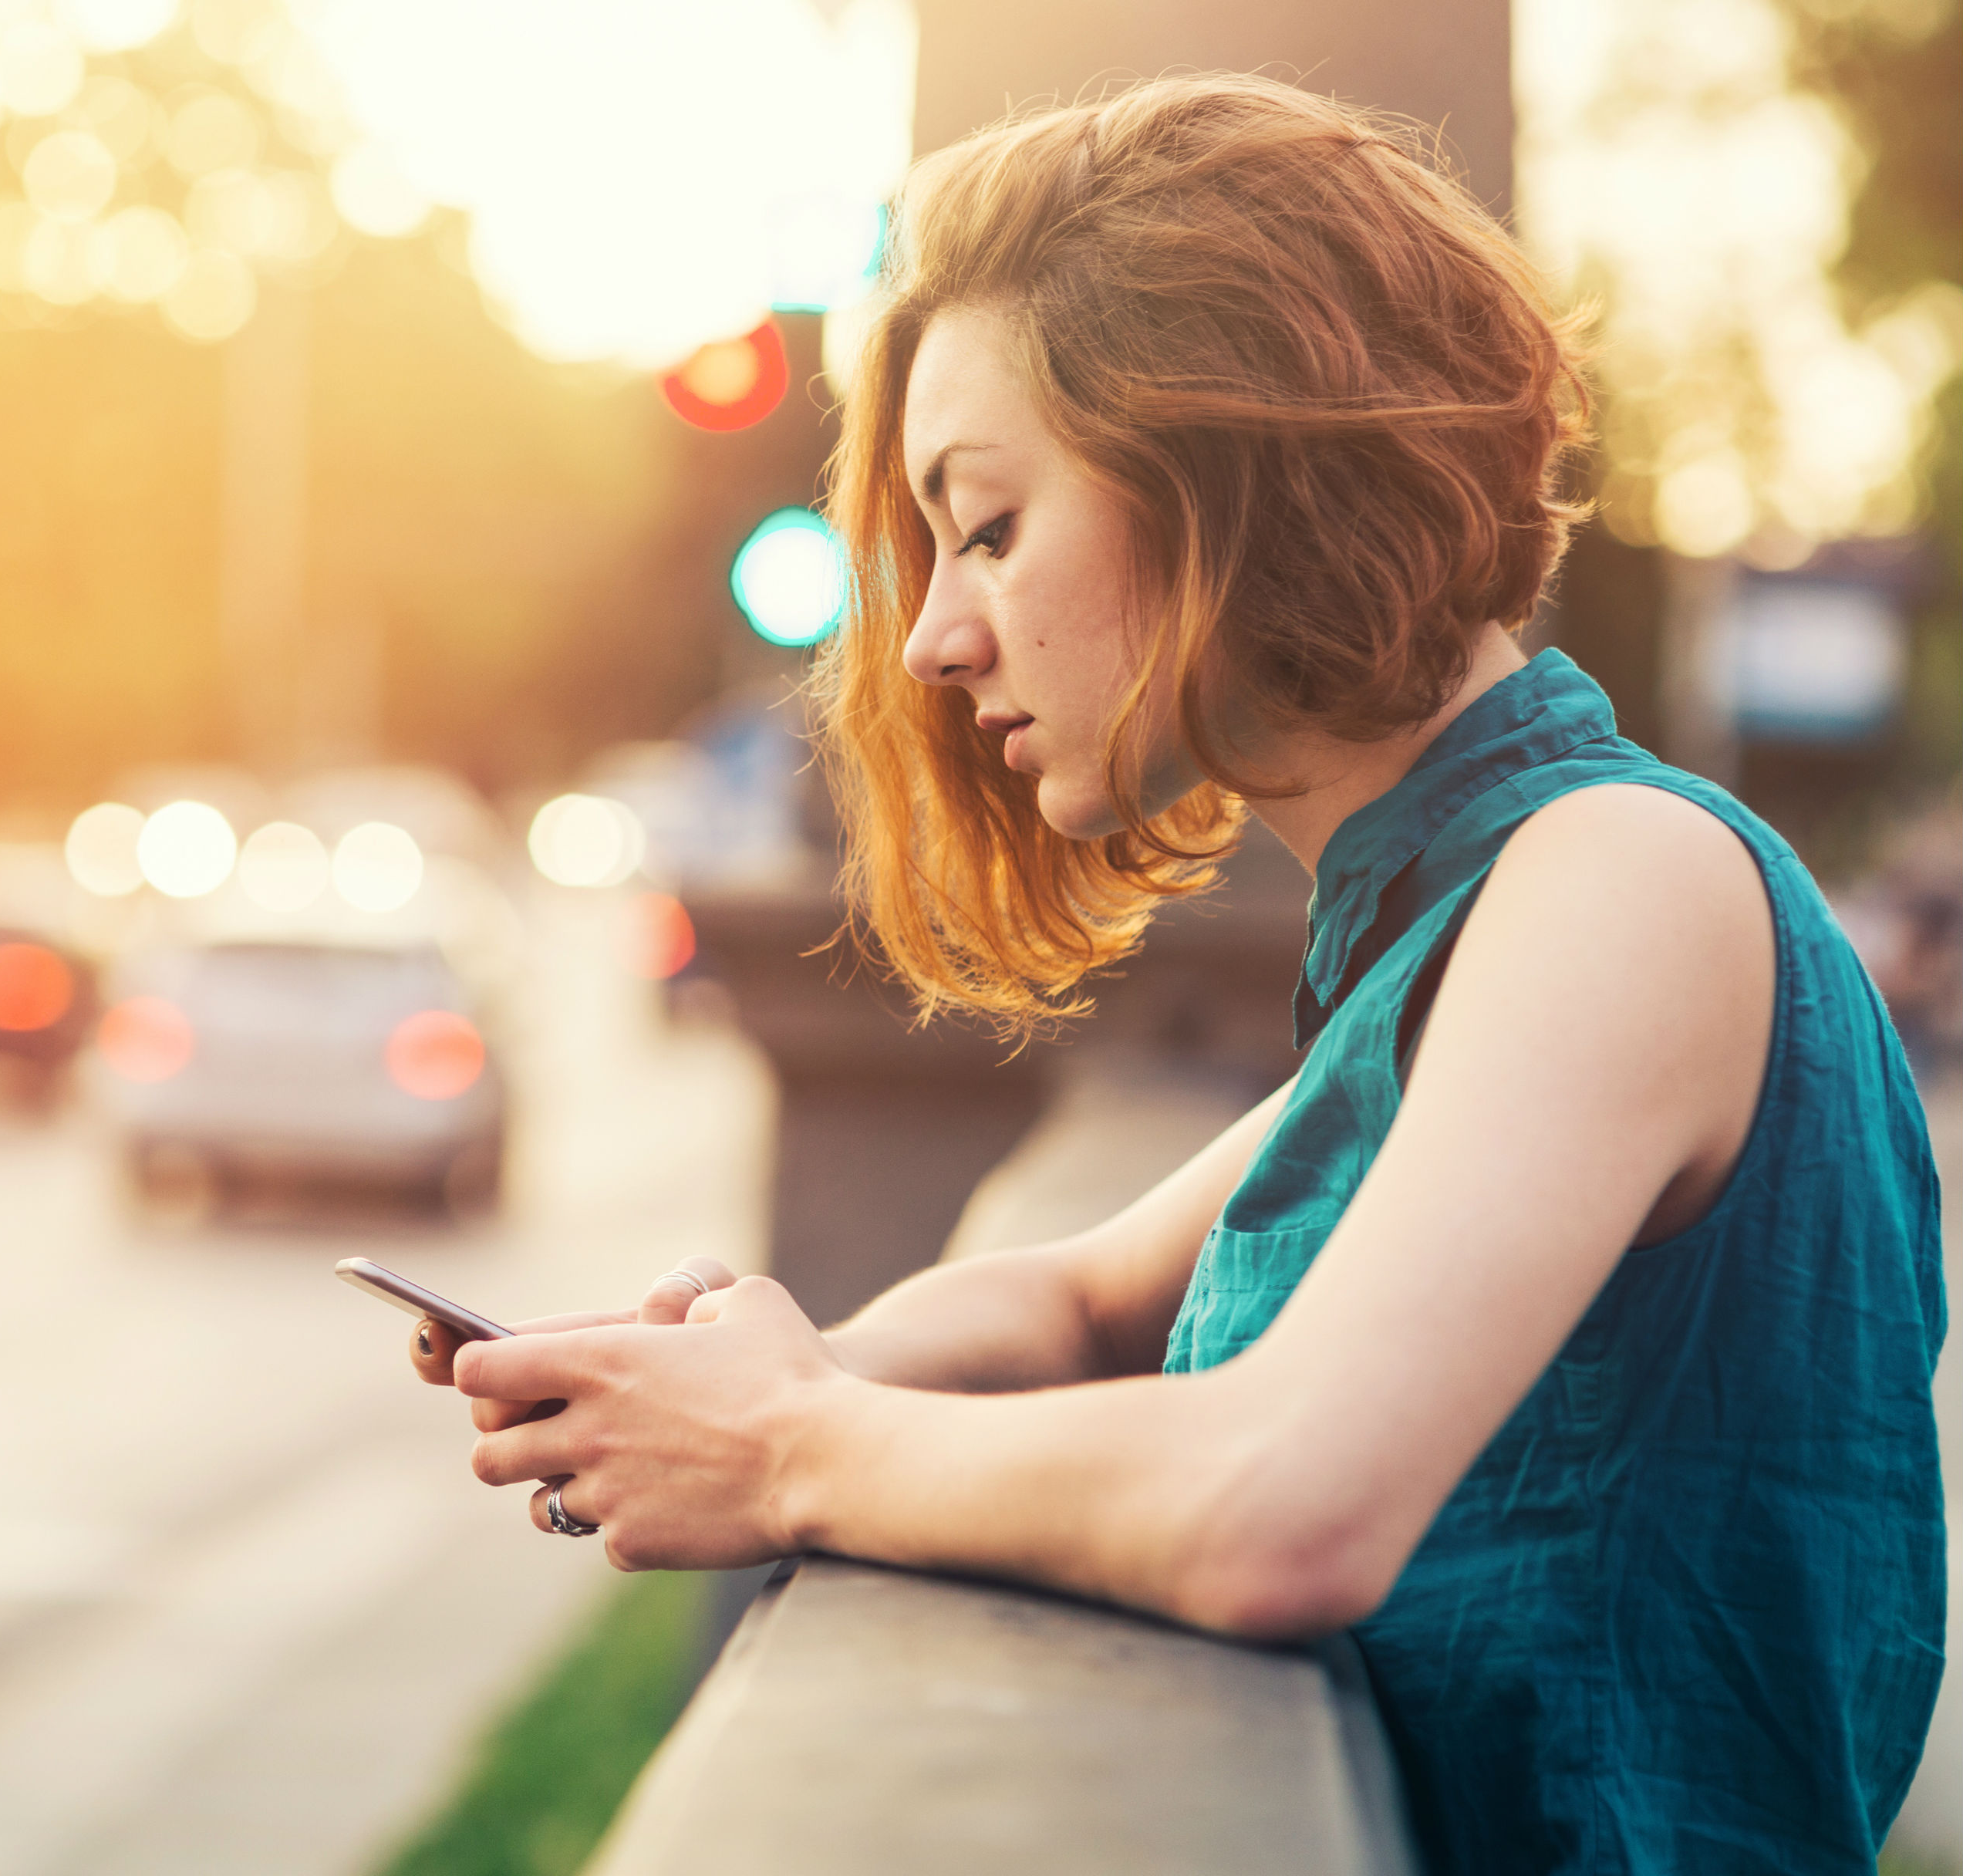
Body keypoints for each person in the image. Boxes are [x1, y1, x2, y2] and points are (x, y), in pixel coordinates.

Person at [406, 75, 1945, 1876]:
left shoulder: (1624, 880)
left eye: (985, 523)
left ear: (1235, 467)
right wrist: (753, 1368)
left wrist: (793, 1449)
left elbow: (1278, 1504)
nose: (929, 632)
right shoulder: (1456, 923)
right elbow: (1073, 1300)